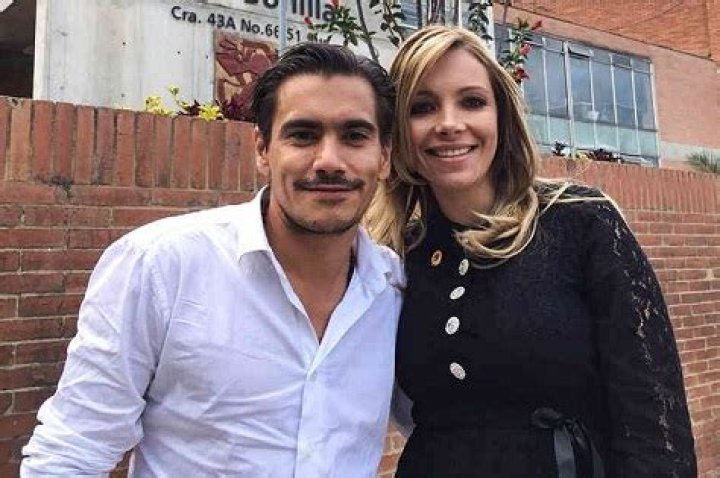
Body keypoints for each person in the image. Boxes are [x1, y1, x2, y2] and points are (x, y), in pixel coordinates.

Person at [21, 42, 403, 477]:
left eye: (354, 136)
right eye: (303, 135)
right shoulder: (161, 267)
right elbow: (72, 452)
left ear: (384, 156)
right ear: (262, 149)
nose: (329, 161)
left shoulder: (394, 290)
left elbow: (443, 421)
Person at [368, 25, 697, 477]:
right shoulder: (396, 255)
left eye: (472, 101)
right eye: (422, 107)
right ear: (399, 131)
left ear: (501, 116)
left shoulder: (582, 221)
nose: (449, 123)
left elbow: (652, 420)